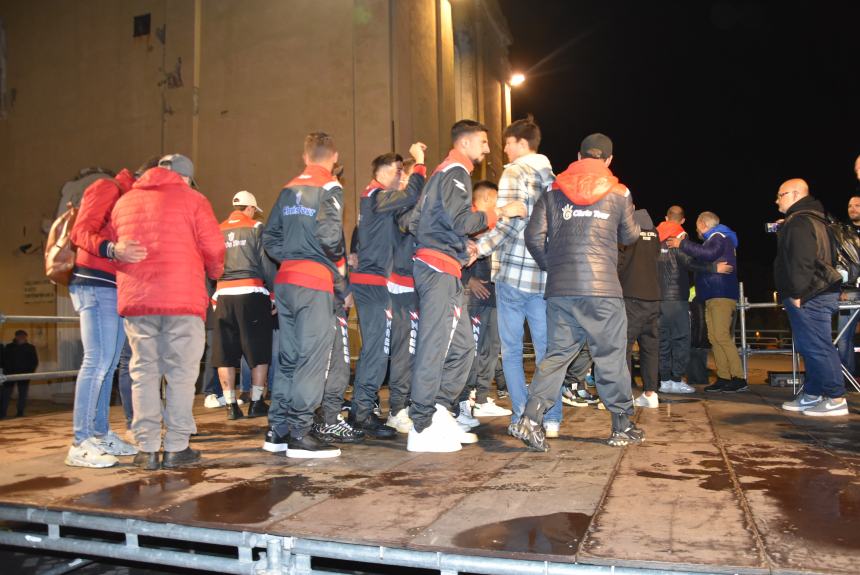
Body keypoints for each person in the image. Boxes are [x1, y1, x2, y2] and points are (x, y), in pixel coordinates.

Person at [514, 132, 643, 451]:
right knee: (611, 357)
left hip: (562, 290)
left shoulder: (552, 191)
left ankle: (530, 419)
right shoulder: (619, 191)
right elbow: (629, 235)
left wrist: (553, 267)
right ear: (609, 160)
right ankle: (621, 425)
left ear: (578, 154)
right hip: (603, 291)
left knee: (556, 356)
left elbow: (533, 237)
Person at [407, 119, 525, 453]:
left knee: (462, 349)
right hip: (437, 270)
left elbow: (416, 221)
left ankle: (441, 410)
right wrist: (500, 211)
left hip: (444, 266)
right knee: (436, 347)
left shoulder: (441, 174)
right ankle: (421, 424)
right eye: (484, 142)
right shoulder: (455, 171)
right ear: (466, 144)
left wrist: (460, 248)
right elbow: (461, 221)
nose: (488, 149)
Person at [110, 153, 225, 470]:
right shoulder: (194, 199)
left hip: (139, 298)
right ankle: (176, 446)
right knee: (181, 374)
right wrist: (214, 272)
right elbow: (214, 248)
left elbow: (112, 247)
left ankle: (146, 448)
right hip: (182, 299)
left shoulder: (124, 201)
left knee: (143, 372)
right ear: (186, 177)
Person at [471, 117, 560, 436]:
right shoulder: (552, 178)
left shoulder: (514, 172)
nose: (505, 149)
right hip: (545, 275)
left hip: (513, 273)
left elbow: (510, 224)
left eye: (508, 143)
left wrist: (479, 248)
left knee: (510, 351)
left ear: (522, 143)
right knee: (547, 350)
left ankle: (522, 416)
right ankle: (550, 418)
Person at [262, 132, 346, 459]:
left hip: (286, 281)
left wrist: (293, 256)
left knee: (289, 357)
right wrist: (330, 261)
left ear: (305, 155)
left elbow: (270, 238)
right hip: (313, 283)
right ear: (333, 156)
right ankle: (301, 432)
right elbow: (330, 235)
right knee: (313, 358)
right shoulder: (330, 186)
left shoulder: (287, 189)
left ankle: (278, 429)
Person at [65, 168, 143, 467]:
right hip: (94, 282)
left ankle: (99, 433)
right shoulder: (108, 187)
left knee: (108, 365)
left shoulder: (127, 198)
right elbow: (80, 231)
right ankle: (80, 442)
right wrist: (113, 249)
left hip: (111, 285)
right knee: (97, 362)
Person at [349, 143, 426, 439]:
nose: (400, 177)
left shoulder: (376, 200)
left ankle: (364, 409)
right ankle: (362, 413)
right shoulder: (374, 196)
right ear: (384, 172)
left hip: (374, 282)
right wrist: (419, 164)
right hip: (371, 283)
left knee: (377, 351)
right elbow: (409, 194)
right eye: (397, 172)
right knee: (377, 352)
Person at [775, 179, 848, 416]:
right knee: (810, 346)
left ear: (795, 194)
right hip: (818, 291)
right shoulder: (815, 218)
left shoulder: (800, 221)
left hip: (810, 294)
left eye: (781, 195)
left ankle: (836, 398)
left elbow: (801, 260)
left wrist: (796, 292)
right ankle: (814, 393)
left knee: (817, 346)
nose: (777, 200)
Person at [212, 191, 276, 420]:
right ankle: (257, 403)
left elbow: (211, 263)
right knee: (259, 351)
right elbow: (266, 264)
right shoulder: (257, 227)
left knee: (225, 352)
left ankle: (231, 406)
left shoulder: (217, 229)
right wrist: (273, 294)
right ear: (250, 208)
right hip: (252, 292)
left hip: (223, 295)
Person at [667, 212, 746, 392]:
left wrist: (682, 244)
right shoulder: (715, 239)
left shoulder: (719, 236)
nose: (697, 231)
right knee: (714, 337)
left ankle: (739, 377)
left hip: (721, 294)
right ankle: (724, 377)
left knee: (721, 336)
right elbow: (702, 258)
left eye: (697, 227)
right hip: (713, 294)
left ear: (703, 224)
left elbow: (708, 254)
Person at [458, 181, 511, 419]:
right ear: (489, 198)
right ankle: (464, 398)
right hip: (475, 296)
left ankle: (481, 397)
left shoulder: (494, 223)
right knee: (473, 348)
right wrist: (468, 279)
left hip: (495, 294)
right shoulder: (469, 220)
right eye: (497, 199)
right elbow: (454, 252)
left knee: (492, 348)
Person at [385, 158, 422, 433]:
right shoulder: (396, 206)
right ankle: (397, 408)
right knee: (403, 351)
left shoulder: (403, 205)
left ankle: (406, 404)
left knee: (414, 350)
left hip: (415, 284)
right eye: (405, 178)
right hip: (400, 286)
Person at [619, 209, 662, 409]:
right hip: (654, 297)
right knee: (650, 347)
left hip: (632, 296)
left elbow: (620, 262)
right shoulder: (655, 235)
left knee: (623, 346)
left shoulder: (629, 233)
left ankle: (624, 395)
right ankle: (651, 394)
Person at [835, 194, 860, 377]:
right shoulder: (842, 232)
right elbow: (838, 263)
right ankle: (847, 377)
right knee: (844, 337)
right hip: (850, 292)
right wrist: (841, 288)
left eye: (857, 205)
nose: (852, 208)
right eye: (850, 205)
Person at [1, 330, 39, 419]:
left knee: (22, 394)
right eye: (20, 336)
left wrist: (30, 373)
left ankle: (20, 413)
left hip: (24, 374)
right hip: (10, 374)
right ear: (16, 337)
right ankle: (2, 413)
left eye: (23, 336)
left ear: (26, 337)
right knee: (5, 394)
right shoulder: (9, 347)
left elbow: (34, 361)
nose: (21, 337)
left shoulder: (30, 347)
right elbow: (4, 360)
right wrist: (6, 371)